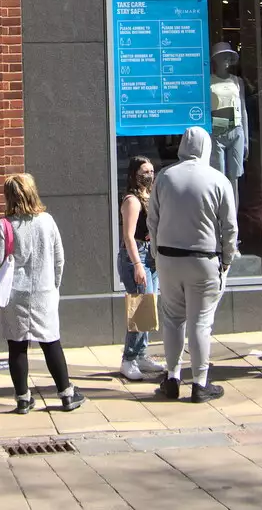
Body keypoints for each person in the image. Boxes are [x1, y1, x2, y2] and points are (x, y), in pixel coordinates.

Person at [150, 126, 237, 403]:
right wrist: (227, 258)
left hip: (168, 258)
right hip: (203, 258)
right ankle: (200, 382)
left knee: (173, 320)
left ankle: (172, 377)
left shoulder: (164, 177)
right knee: (200, 323)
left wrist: (155, 252)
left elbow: (153, 219)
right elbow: (230, 227)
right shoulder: (218, 179)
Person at [0, 173, 82, 413]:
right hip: (44, 292)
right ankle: (67, 394)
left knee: (17, 346)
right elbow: (59, 258)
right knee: (51, 342)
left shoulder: (3, 225)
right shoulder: (47, 221)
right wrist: (54, 286)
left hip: (15, 295)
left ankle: (22, 398)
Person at [118, 157, 165, 381]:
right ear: (135, 174)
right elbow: (128, 236)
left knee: (149, 306)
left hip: (151, 255)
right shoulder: (132, 200)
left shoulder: (151, 197)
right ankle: (128, 358)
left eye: (152, 170)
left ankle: (141, 354)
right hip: (136, 255)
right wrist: (137, 264)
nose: (149, 174)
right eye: (145, 171)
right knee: (140, 306)